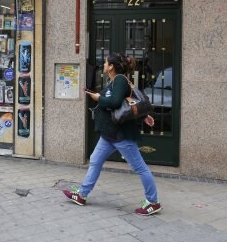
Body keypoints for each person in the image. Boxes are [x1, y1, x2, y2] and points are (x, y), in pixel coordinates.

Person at [62, 52, 162, 216]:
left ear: (112, 67)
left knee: (140, 168)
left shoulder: (121, 80)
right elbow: (126, 103)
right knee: (95, 160)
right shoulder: (116, 81)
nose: (104, 65)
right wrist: (143, 116)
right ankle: (81, 195)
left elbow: (115, 102)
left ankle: (153, 202)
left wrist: (98, 98)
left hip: (121, 135)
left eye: (106, 63)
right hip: (109, 134)